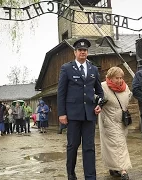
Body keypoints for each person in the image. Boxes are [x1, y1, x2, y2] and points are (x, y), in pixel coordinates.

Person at [57, 38, 104, 180]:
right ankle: (71, 173)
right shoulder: (67, 68)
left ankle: (90, 176)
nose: (82, 52)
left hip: (89, 115)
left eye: (85, 50)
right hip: (72, 115)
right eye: (80, 50)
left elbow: (100, 92)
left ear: (87, 53)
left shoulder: (93, 69)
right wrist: (62, 113)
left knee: (89, 147)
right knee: (73, 145)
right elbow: (61, 92)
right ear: (75, 52)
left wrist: (99, 105)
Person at [98, 67, 132, 180]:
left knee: (115, 145)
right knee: (118, 144)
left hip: (122, 120)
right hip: (109, 120)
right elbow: (96, 98)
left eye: (121, 77)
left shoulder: (125, 87)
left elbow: (128, 98)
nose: (119, 80)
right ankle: (123, 170)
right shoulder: (103, 87)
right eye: (116, 78)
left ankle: (113, 167)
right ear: (110, 78)